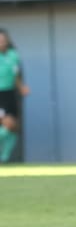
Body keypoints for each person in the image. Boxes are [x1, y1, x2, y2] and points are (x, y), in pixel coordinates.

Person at [0, 28, 30, 163]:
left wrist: (22, 87)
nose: (2, 42)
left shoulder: (13, 55)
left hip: (10, 95)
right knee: (8, 123)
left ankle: (4, 157)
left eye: (3, 39)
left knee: (14, 129)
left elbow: (16, 74)